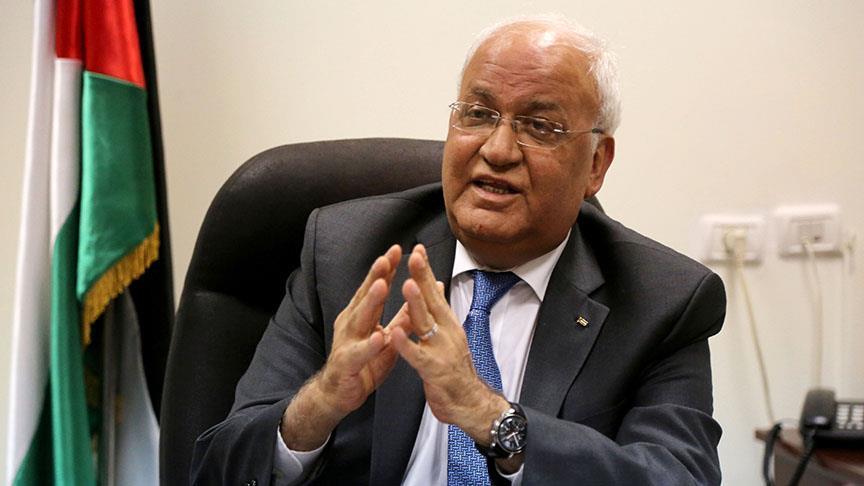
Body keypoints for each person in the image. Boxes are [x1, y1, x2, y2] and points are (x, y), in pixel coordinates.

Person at [191, 15, 726, 486]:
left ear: (595, 164)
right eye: (478, 114)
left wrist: (490, 416)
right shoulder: (346, 254)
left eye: (540, 126)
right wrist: (321, 401)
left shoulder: (662, 301)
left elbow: (678, 478)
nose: (498, 149)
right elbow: (217, 468)